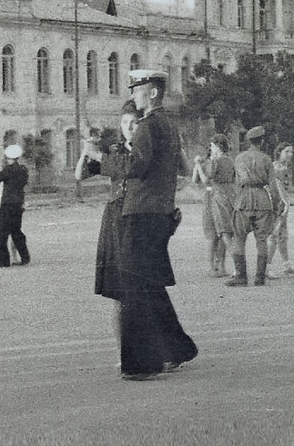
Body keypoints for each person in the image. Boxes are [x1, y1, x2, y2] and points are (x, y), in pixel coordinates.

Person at [107, 69, 197, 379]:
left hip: (141, 214)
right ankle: (177, 349)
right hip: (160, 214)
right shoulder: (170, 127)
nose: (133, 95)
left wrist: (100, 161)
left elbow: (136, 166)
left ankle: (142, 365)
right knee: (150, 284)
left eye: (137, 89)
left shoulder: (146, 127)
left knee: (133, 288)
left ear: (153, 93)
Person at [79, 101, 140, 361]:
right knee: (119, 292)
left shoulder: (143, 152)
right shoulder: (114, 151)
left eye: (134, 123)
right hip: (115, 220)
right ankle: (123, 352)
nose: (129, 128)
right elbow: (80, 175)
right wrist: (85, 151)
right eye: (125, 123)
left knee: (140, 291)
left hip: (137, 219)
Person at [227, 126, 281, 287]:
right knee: (262, 239)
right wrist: (277, 205)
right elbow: (273, 186)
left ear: (248, 141)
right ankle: (259, 277)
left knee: (238, 238)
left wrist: (236, 202)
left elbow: (235, 183)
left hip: (243, 199)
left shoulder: (239, 159)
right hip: (262, 199)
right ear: (262, 141)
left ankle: (241, 276)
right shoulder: (266, 160)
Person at [0, 143, 30, 268]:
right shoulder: (23, 170)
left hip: (7, 203)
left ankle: (1, 261)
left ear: (8, 157)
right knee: (16, 231)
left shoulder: (8, 170)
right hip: (18, 203)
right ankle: (25, 257)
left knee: (1, 233)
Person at [201, 134, 236, 278]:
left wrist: (198, 165)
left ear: (218, 146)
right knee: (225, 232)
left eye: (212, 146)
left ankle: (213, 267)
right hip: (229, 196)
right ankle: (221, 266)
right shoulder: (230, 160)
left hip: (216, 197)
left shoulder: (215, 161)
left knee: (214, 233)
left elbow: (206, 179)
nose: (211, 148)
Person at [265, 145, 294, 278]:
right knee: (275, 234)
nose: (290, 154)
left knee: (282, 235)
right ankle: (266, 267)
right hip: (277, 205)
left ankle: (286, 264)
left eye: (291, 152)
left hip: (280, 204)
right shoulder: (278, 168)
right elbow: (277, 186)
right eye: (287, 151)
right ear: (279, 152)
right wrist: (285, 202)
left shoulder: (282, 167)